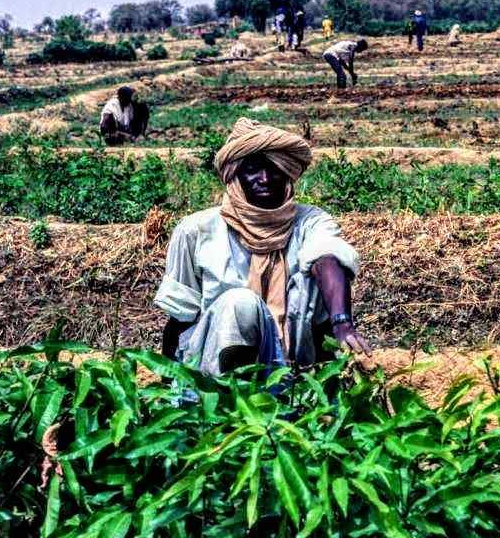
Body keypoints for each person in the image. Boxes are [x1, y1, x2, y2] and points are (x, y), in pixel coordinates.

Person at [155, 118, 369, 378]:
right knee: (240, 303)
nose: (265, 179)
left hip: (293, 363)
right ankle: (232, 399)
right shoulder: (196, 230)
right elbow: (180, 317)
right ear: (235, 177)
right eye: (253, 170)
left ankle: (306, 378)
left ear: (287, 174)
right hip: (212, 369)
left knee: (310, 275)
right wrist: (167, 383)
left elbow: (327, 257)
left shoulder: (310, 222)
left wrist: (342, 324)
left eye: (274, 169)